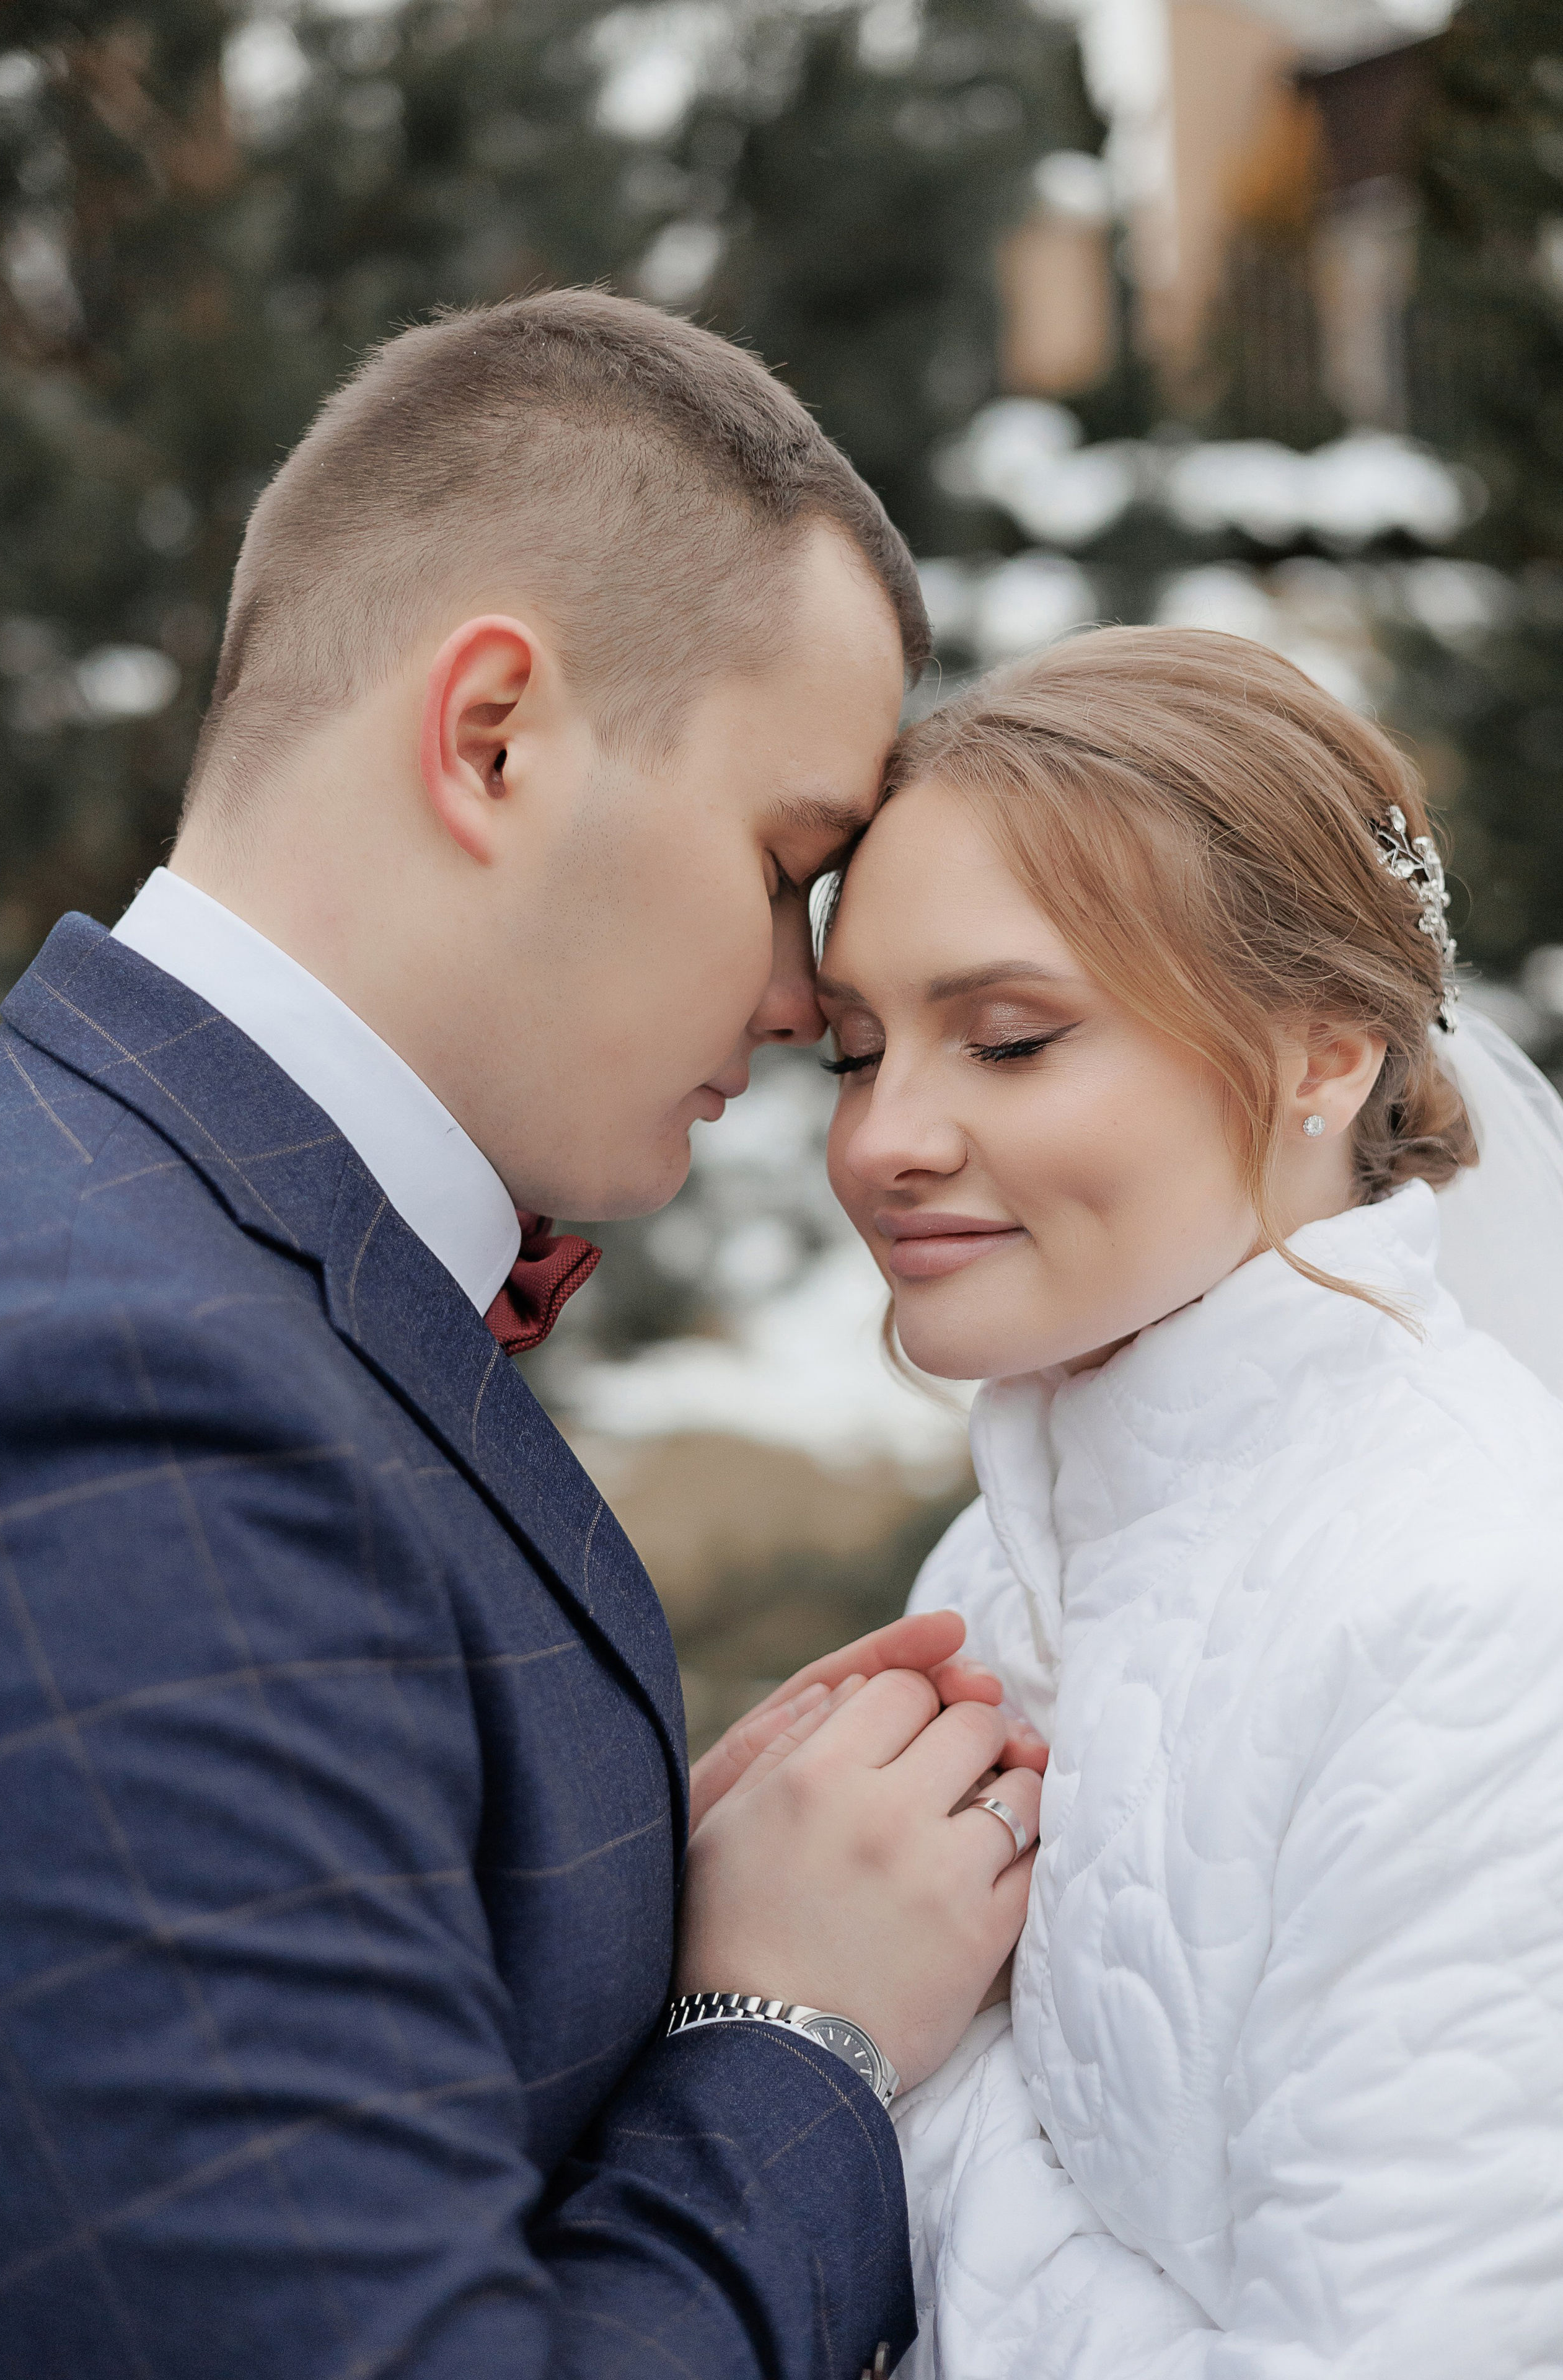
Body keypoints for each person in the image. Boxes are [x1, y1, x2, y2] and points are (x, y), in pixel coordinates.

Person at [0, 291, 1046, 2380]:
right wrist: (790, 2044)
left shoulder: (165, 1228)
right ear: (493, 737)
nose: (802, 1001)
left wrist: (630, 1917)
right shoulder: (131, 1398)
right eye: (788, 863)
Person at [817, 626, 1563, 2378]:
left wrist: (839, 2063)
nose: (880, 1141)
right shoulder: (1002, 1543)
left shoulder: (1480, 1615)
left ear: (1326, 1056)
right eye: (852, 1050)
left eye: (1006, 1041)